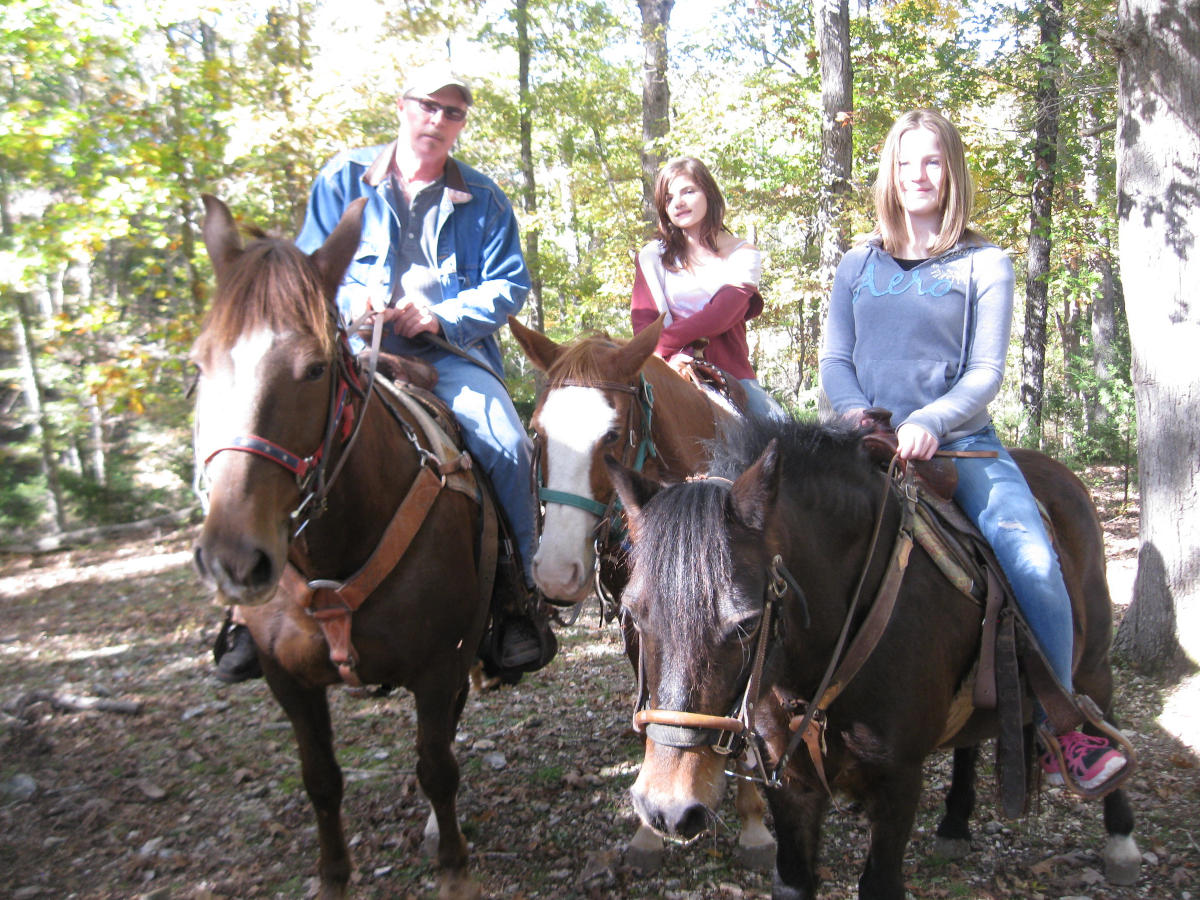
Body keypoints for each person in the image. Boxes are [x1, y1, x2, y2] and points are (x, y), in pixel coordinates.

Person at [818, 109, 1127, 794]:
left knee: (1034, 558)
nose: (917, 175)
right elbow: (835, 358)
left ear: (952, 170)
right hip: (858, 444)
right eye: (905, 163)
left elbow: (984, 373)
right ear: (888, 176)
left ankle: (1063, 724)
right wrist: (853, 414)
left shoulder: (986, 262)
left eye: (931, 161)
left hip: (958, 449)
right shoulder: (855, 265)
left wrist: (929, 420)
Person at [214, 63, 553, 682]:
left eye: (453, 112)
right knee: (259, 426)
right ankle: (242, 606)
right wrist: (349, 302)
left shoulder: (485, 197)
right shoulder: (342, 178)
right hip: (350, 353)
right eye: (429, 106)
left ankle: (514, 597)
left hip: (450, 358)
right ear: (402, 107)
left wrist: (440, 314)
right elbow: (307, 274)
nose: (438, 120)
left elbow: (510, 286)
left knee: (505, 442)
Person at [630, 156, 783, 420]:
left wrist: (658, 344)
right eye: (668, 198)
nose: (678, 203)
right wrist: (669, 359)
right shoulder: (651, 256)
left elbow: (719, 316)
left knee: (782, 431)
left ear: (709, 194)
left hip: (732, 375)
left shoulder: (743, 254)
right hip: (665, 370)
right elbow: (644, 322)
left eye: (688, 191)